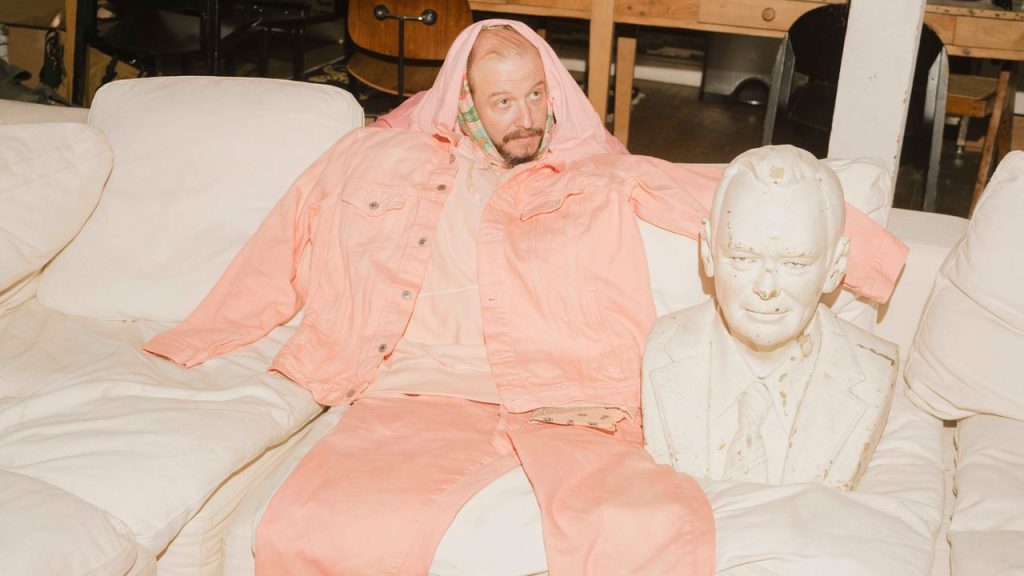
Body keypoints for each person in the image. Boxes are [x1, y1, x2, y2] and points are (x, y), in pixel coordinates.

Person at [144, 20, 905, 575]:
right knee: (315, 526)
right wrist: (204, 334)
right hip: (418, 394)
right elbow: (286, 235)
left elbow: (721, 194)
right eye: (503, 101)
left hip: (577, 395)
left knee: (647, 531)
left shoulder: (593, 170)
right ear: (464, 103)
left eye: (537, 94)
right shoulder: (378, 157)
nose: (528, 117)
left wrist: (872, 261)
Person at [642, 145, 898, 491]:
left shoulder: (873, 370)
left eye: (795, 264)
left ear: (835, 267)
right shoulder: (662, 348)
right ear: (708, 251)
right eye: (742, 258)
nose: (766, 288)